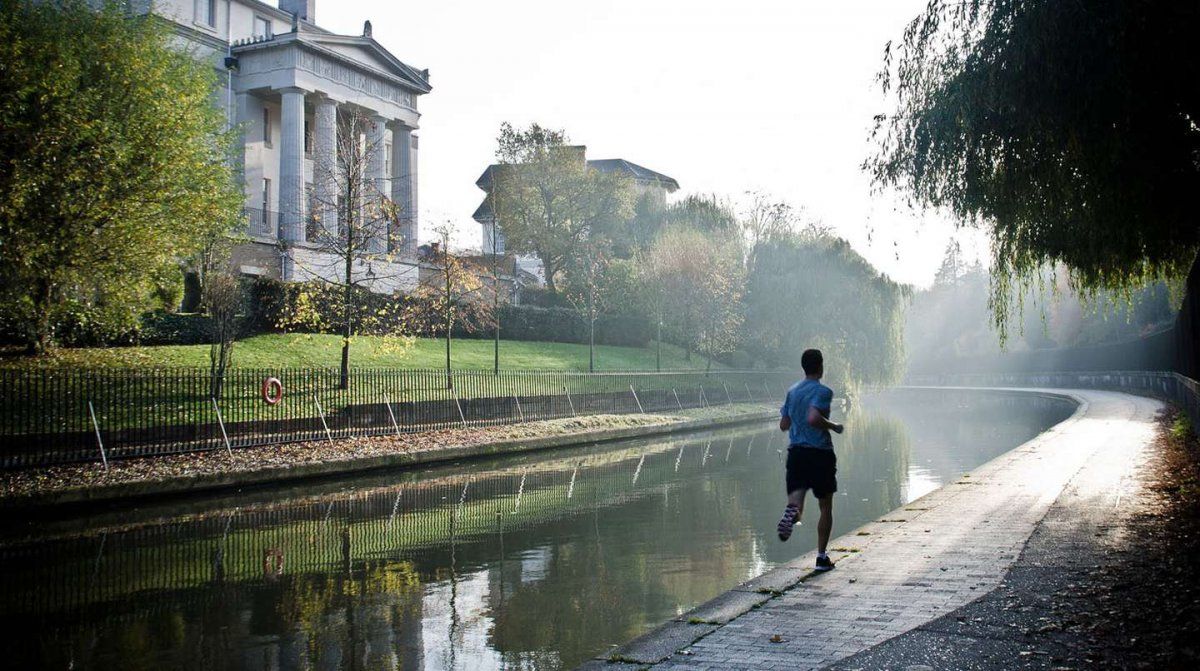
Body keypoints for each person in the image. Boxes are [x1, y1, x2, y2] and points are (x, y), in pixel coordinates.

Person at [776, 348, 843, 571]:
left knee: (796, 506)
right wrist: (833, 426)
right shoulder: (823, 391)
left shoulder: (792, 391)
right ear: (821, 366)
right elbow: (814, 417)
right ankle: (822, 557)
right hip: (820, 454)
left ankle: (791, 513)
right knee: (825, 506)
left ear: (803, 367)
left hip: (796, 454)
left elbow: (784, 424)